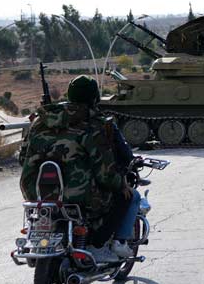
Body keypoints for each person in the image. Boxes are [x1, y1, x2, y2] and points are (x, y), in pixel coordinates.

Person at [18, 75, 138, 263]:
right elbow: (105, 174)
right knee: (124, 197)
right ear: (94, 98)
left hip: (37, 193)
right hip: (79, 197)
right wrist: (121, 183)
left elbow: (22, 158)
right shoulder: (92, 125)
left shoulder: (39, 122)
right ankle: (99, 247)